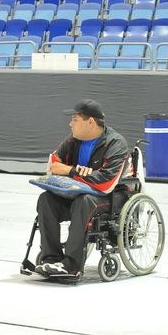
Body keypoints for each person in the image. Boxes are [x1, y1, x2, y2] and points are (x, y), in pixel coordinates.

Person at [35, 99, 129, 277]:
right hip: (75, 193)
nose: (70, 124)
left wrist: (68, 172)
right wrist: (74, 170)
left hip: (108, 199)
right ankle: (51, 259)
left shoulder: (115, 144)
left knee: (83, 202)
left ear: (90, 122)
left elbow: (105, 182)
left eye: (75, 120)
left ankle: (71, 266)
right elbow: (53, 165)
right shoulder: (72, 141)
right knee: (46, 199)